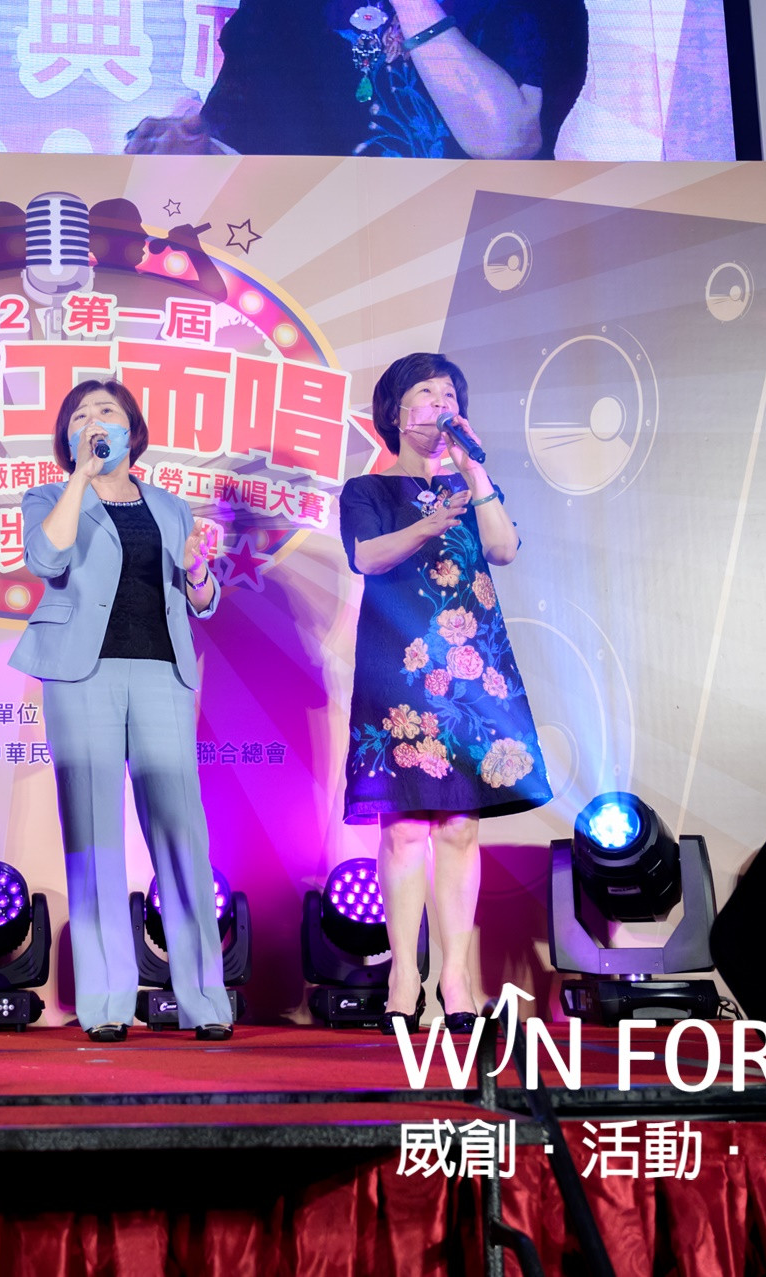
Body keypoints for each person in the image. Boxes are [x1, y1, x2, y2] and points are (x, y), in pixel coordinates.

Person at [11, 381, 232, 1043]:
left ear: (132, 429)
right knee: (93, 835)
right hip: (82, 674)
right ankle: (106, 1001)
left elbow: (201, 599)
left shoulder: (169, 506)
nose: (93, 420)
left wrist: (199, 573)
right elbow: (45, 558)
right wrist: (80, 477)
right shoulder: (50, 497)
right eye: (79, 415)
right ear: (67, 438)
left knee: (183, 832)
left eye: (105, 411)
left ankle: (205, 999)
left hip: (163, 672)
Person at [339, 353, 550, 1032]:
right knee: (404, 827)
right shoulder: (367, 490)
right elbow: (366, 556)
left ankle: (456, 978)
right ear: (396, 411)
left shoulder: (472, 484)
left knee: (460, 826)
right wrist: (428, 523)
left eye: (450, 393)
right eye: (426, 392)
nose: (441, 402)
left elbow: (504, 548)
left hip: (471, 671)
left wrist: (475, 470)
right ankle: (405, 974)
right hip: (399, 670)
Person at [125, 0, 586, 159]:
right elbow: (240, 138)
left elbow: (507, 140)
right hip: (321, 268)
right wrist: (192, 145)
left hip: (472, 267)